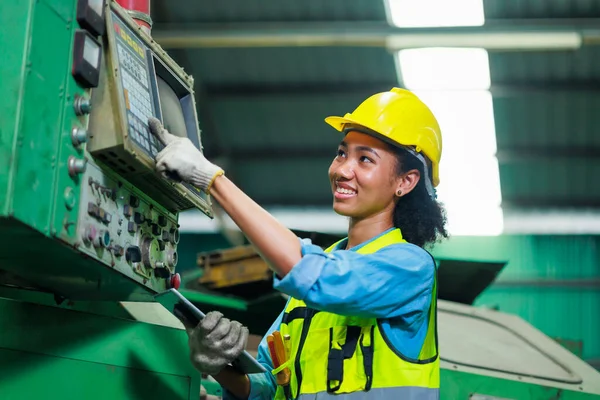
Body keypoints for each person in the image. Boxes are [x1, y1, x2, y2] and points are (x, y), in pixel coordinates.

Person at [148, 87, 448, 400]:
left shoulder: (410, 267)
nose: (343, 170)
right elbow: (267, 386)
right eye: (342, 153)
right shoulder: (319, 275)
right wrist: (219, 362)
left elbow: (313, 274)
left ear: (405, 181)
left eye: (365, 159)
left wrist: (211, 179)